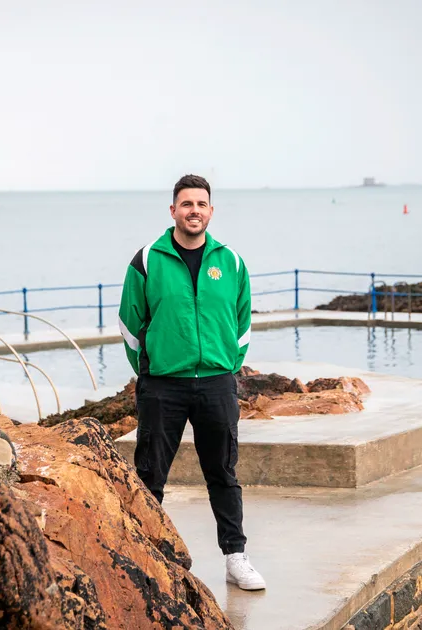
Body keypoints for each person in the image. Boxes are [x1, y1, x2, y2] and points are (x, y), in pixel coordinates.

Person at [117, 174, 265, 591]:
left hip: (217, 384)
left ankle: (235, 558)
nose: (194, 211)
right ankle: (145, 556)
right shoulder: (147, 259)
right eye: (186, 204)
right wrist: (150, 368)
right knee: (150, 475)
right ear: (173, 211)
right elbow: (131, 324)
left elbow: (242, 322)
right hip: (163, 386)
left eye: (201, 204)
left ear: (211, 211)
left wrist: (227, 365)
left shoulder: (231, 262)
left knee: (223, 473)